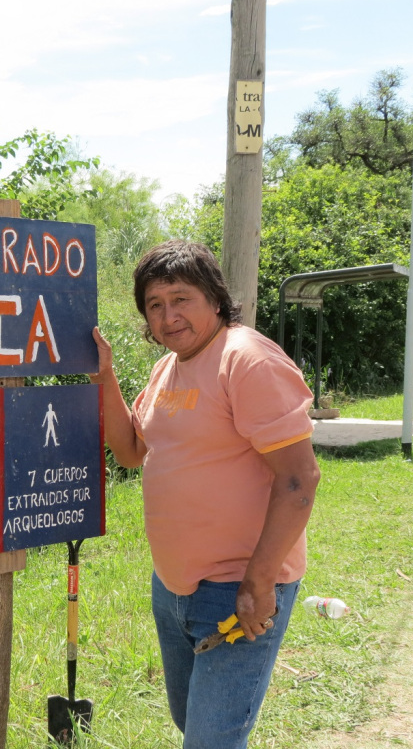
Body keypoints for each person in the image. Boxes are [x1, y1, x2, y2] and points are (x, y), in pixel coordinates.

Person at [90, 240, 320, 748]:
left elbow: (299, 479)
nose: (168, 316)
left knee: (210, 740)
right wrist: (103, 374)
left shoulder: (246, 359)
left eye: (180, 299)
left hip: (239, 589)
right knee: (190, 720)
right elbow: (130, 451)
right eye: (155, 305)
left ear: (214, 298)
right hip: (173, 587)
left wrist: (259, 585)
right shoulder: (167, 369)